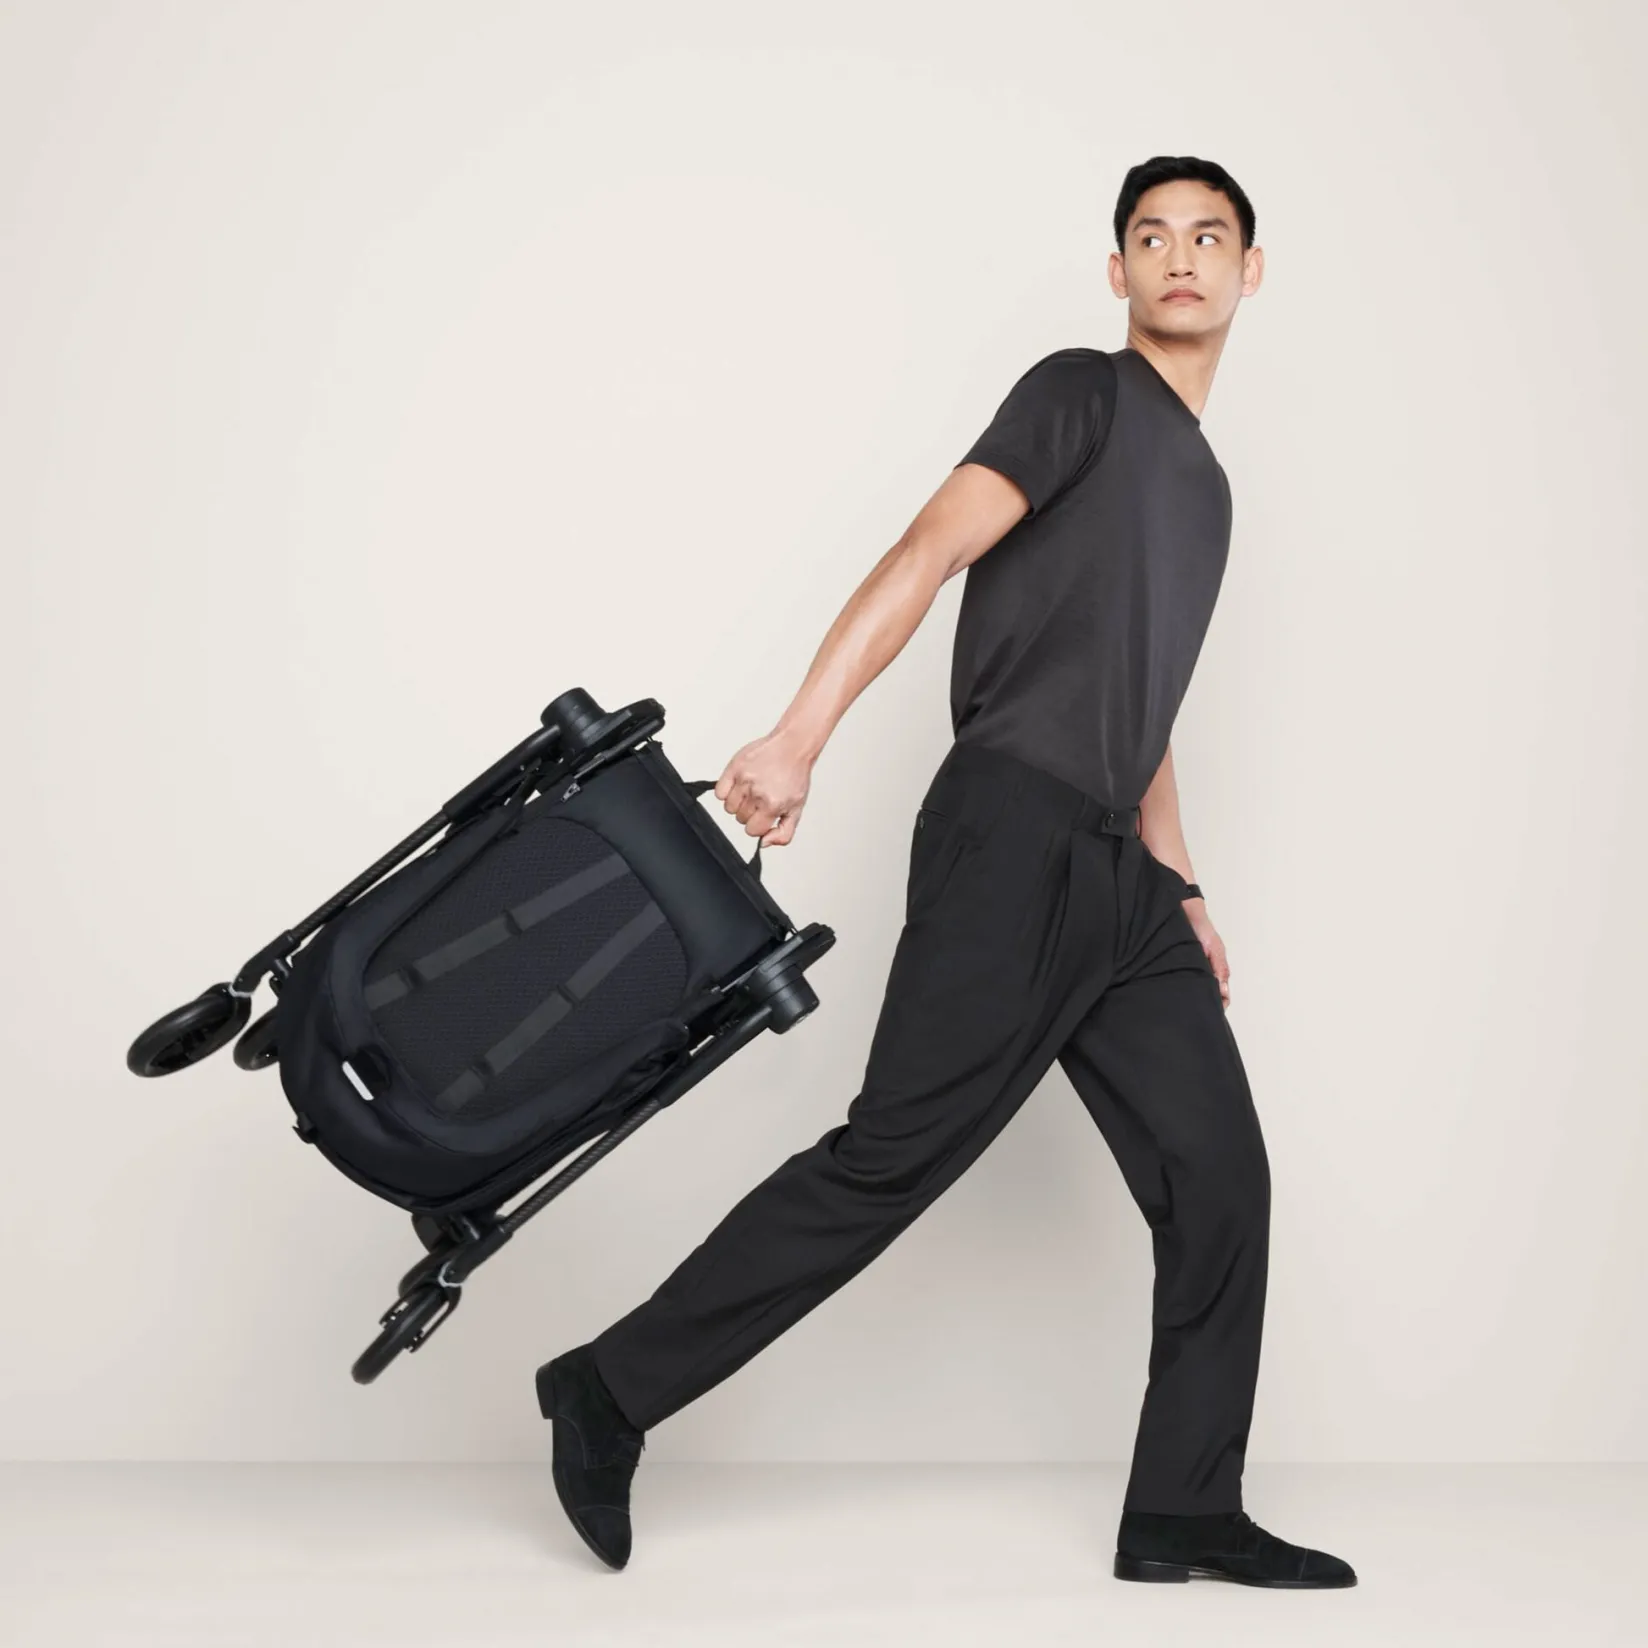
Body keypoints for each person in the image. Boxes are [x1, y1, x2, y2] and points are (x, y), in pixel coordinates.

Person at [536, 154, 1357, 1590]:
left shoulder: (1210, 491)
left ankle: (1183, 1509)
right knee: (891, 1160)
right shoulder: (1079, 395)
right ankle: (608, 1389)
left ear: (1251, 269)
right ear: (1118, 271)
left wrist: (1183, 886)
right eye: (1152, 236)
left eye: (1209, 235)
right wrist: (799, 737)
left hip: (1123, 877)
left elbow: (1145, 703)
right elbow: (927, 549)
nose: (1181, 257)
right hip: (1013, 830)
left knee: (1221, 1173)